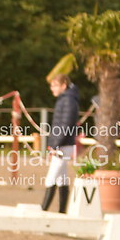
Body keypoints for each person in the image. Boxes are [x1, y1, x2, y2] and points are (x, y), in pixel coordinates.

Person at [42, 73, 80, 213]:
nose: (52, 89)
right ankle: (62, 211)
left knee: (51, 177)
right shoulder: (65, 99)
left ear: (63, 85)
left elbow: (65, 125)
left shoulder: (68, 100)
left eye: (55, 86)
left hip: (63, 145)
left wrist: (55, 145)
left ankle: (43, 209)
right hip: (63, 144)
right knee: (61, 178)